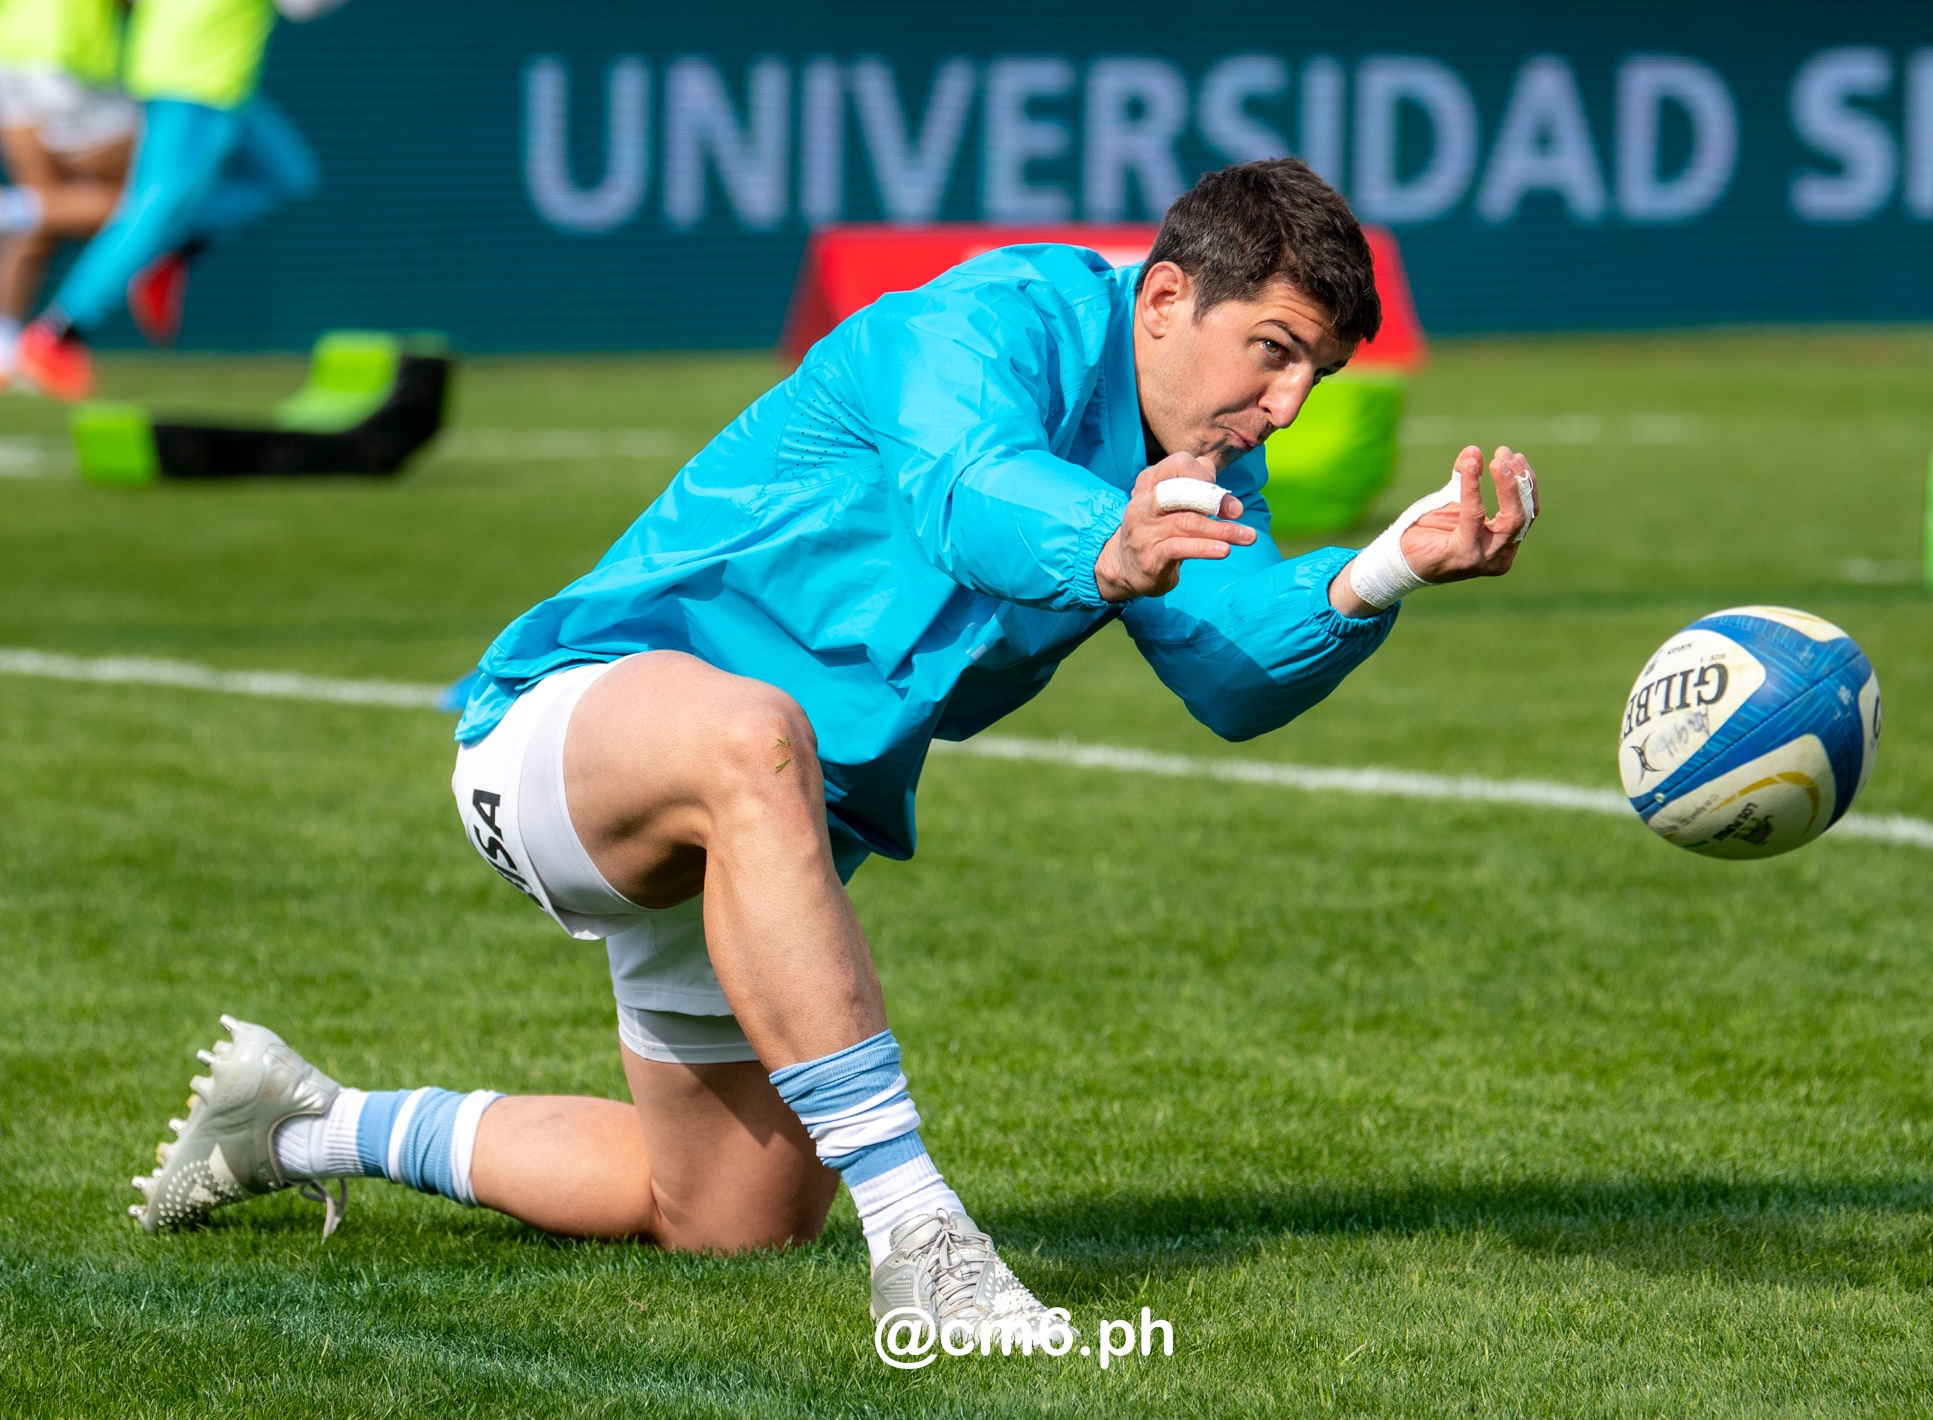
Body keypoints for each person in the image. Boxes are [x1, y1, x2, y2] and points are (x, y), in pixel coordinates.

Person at [129, 160, 1540, 1333]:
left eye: (1317, 372)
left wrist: (1383, 573)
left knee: (727, 1222)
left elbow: (1230, 666)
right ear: (1167, 297)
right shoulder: (990, 318)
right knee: (757, 730)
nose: (1286, 405)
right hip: (574, 732)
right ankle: (923, 1240)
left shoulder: (1206, 459)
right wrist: (1103, 542)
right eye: (1275, 353)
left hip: (772, 837)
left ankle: (307, 1126)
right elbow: (962, 484)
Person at [14, 0, 342, 400]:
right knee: (160, 204)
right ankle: (59, 331)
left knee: (285, 175)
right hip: (197, 75)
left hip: (208, 72)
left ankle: (168, 253)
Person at [0, 0, 136, 381]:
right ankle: (10, 208)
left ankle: (4, 349)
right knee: (144, 200)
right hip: (67, 59)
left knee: (42, 202)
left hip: (8, 54)